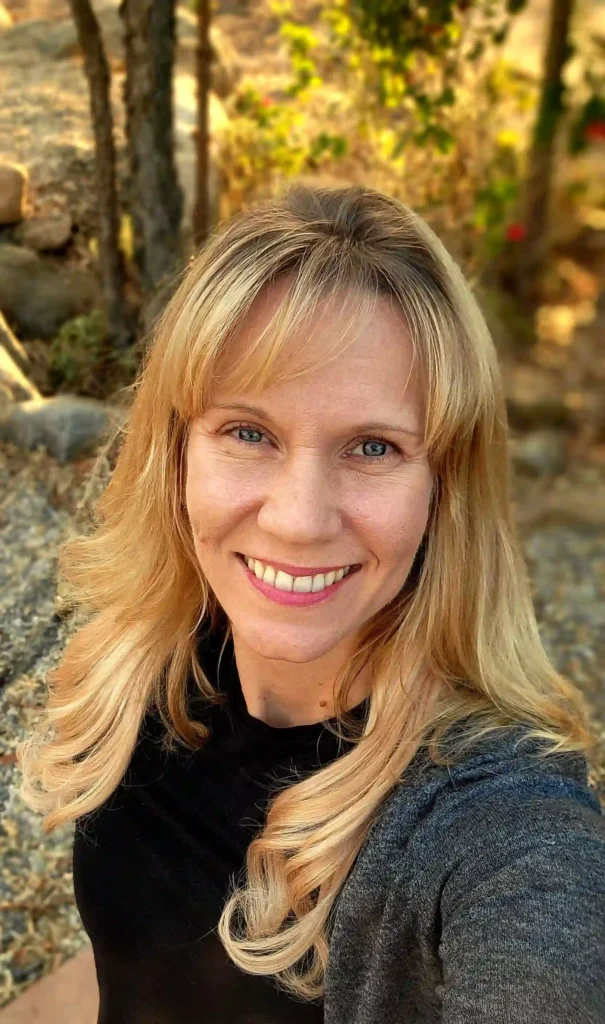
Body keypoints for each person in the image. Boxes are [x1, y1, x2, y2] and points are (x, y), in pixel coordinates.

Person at [18, 184, 605, 1023]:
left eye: (373, 447)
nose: (297, 519)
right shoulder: (148, 662)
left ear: (446, 487)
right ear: (176, 449)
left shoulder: (497, 828)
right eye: (249, 433)